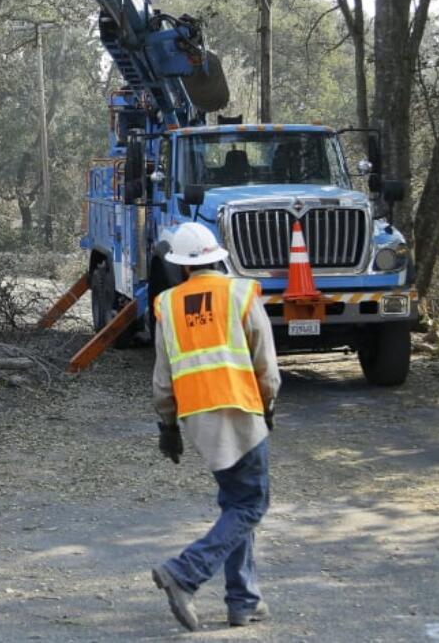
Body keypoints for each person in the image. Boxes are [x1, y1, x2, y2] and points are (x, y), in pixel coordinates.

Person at [150, 222, 281, 631]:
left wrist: (167, 425)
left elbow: (162, 376)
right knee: (251, 504)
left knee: (236, 503)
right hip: (241, 410)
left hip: (197, 417)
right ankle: (184, 572)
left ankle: (244, 600)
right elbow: (266, 364)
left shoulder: (168, 304)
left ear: (182, 267)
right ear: (217, 256)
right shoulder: (240, 292)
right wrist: (268, 405)